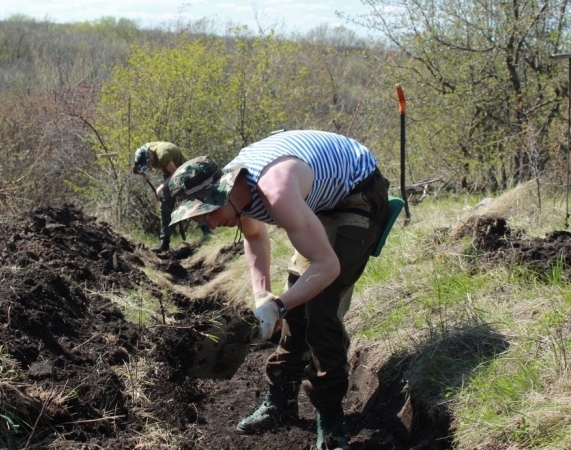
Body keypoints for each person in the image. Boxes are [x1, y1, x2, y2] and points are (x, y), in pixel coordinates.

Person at [167, 130, 390, 450]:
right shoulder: (239, 193)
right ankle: (280, 401)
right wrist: (263, 296)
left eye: (208, 212)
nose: (210, 225)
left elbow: (328, 266)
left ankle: (329, 415)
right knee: (298, 298)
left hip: (357, 191)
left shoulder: (276, 192)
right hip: (315, 198)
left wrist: (279, 307)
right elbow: (255, 237)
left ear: (224, 191)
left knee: (321, 303)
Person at [132, 141, 211, 252]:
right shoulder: (145, 151)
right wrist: (141, 171)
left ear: (150, 155)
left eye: (149, 162)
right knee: (165, 207)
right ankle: (164, 244)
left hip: (184, 172)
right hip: (170, 173)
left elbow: (176, 174)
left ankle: (207, 232)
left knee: (190, 201)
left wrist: (160, 188)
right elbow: (137, 166)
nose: (150, 164)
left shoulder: (162, 154)